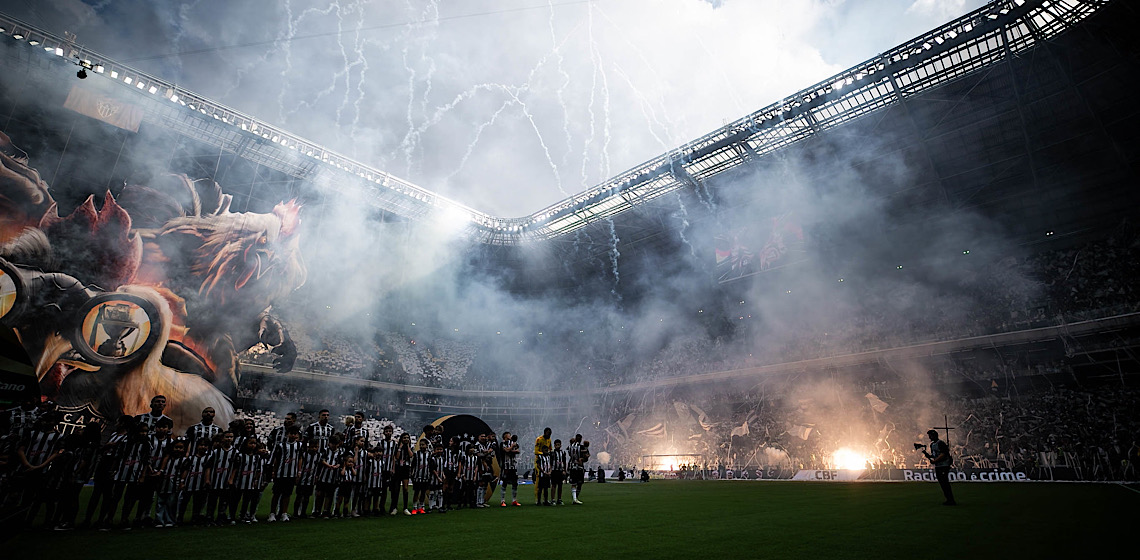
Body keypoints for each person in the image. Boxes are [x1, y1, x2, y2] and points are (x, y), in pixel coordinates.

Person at [268, 426, 301, 522]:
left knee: (287, 495)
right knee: (276, 494)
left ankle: (284, 513)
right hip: (281, 473)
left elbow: (300, 458)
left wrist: (299, 471)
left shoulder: (299, 445)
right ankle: (272, 513)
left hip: (291, 474)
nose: (293, 435)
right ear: (287, 434)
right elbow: (277, 460)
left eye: (295, 434)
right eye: (291, 433)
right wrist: (274, 471)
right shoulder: (281, 445)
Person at [922, 429, 956, 506]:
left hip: (943, 465)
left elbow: (943, 454)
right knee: (942, 483)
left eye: (930, 435)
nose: (929, 437)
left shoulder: (940, 443)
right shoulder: (932, 444)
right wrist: (928, 455)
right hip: (939, 465)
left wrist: (935, 461)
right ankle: (948, 499)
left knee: (944, 482)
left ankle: (950, 499)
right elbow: (935, 455)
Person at [499, 432, 521, 507]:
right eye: (508, 435)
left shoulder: (514, 443)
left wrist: (511, 450)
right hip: (506, 466)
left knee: (515, 483)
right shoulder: (503, 443)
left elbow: (518, 451)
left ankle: (514, 500)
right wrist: (512, 447)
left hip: (513, 466)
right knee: (504, 483)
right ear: (505, 437)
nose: (510, 436)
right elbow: (506, 450)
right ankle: (502, 501)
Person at [549, 439, 568, 505]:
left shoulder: (562, 452)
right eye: (556, 445)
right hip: (554, 471)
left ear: (560, 445)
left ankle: (559, 499)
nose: (557, 446)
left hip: (560, 471)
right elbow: (550, 462)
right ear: (554, 445)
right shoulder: (552, 453)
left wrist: (564, 470)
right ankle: (553, 499)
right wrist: (550, 470)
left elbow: (564, 462)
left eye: (558, 445)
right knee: (553, 485)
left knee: (560, 485)